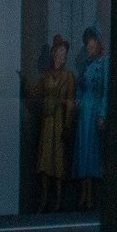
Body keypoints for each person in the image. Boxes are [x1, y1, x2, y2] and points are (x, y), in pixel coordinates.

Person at [30, 34, 73, 211]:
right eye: (60, 52)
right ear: (54, 53)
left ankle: (58, 200)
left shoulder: (69, 77)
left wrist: (67, 125)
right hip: (47, 123)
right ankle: (45, 198)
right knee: (44, 162)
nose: (62, 56)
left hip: (59, 123)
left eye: (65, 53)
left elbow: (70, 102)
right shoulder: (46, 76)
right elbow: (36, 93)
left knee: (58, 163)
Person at [73, 27, 108, 208]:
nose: (89, 48)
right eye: (88, 45)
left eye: (92, 45)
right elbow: (80, 87)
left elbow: (105, 92)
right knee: (84, 151)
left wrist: (102, 114)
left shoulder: (104, 64)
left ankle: (92, 195)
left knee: (93, 152)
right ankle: (83, 194)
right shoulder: (85, 66)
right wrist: (77, 101)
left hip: (94, 111)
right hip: (84, 113)